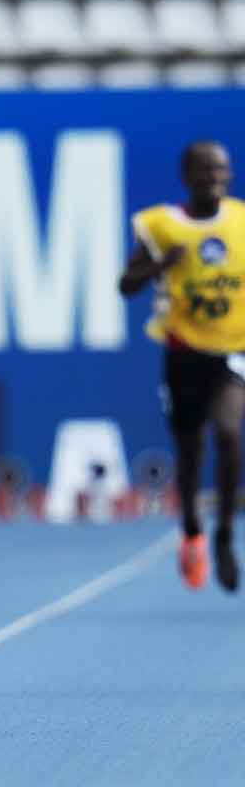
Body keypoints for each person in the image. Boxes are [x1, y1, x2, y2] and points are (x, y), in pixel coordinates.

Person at [120, 141, 244, 593]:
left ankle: (225, 535)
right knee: (190, 450)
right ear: (187, 176)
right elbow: (126, 284)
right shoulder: (162, 226)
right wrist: (159, 265)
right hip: (184, 351)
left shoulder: (241, 221)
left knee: (229, 433)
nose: (215, 177)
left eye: (222, 169)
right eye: (206, 169)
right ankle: (193, 532)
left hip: (233, 351)